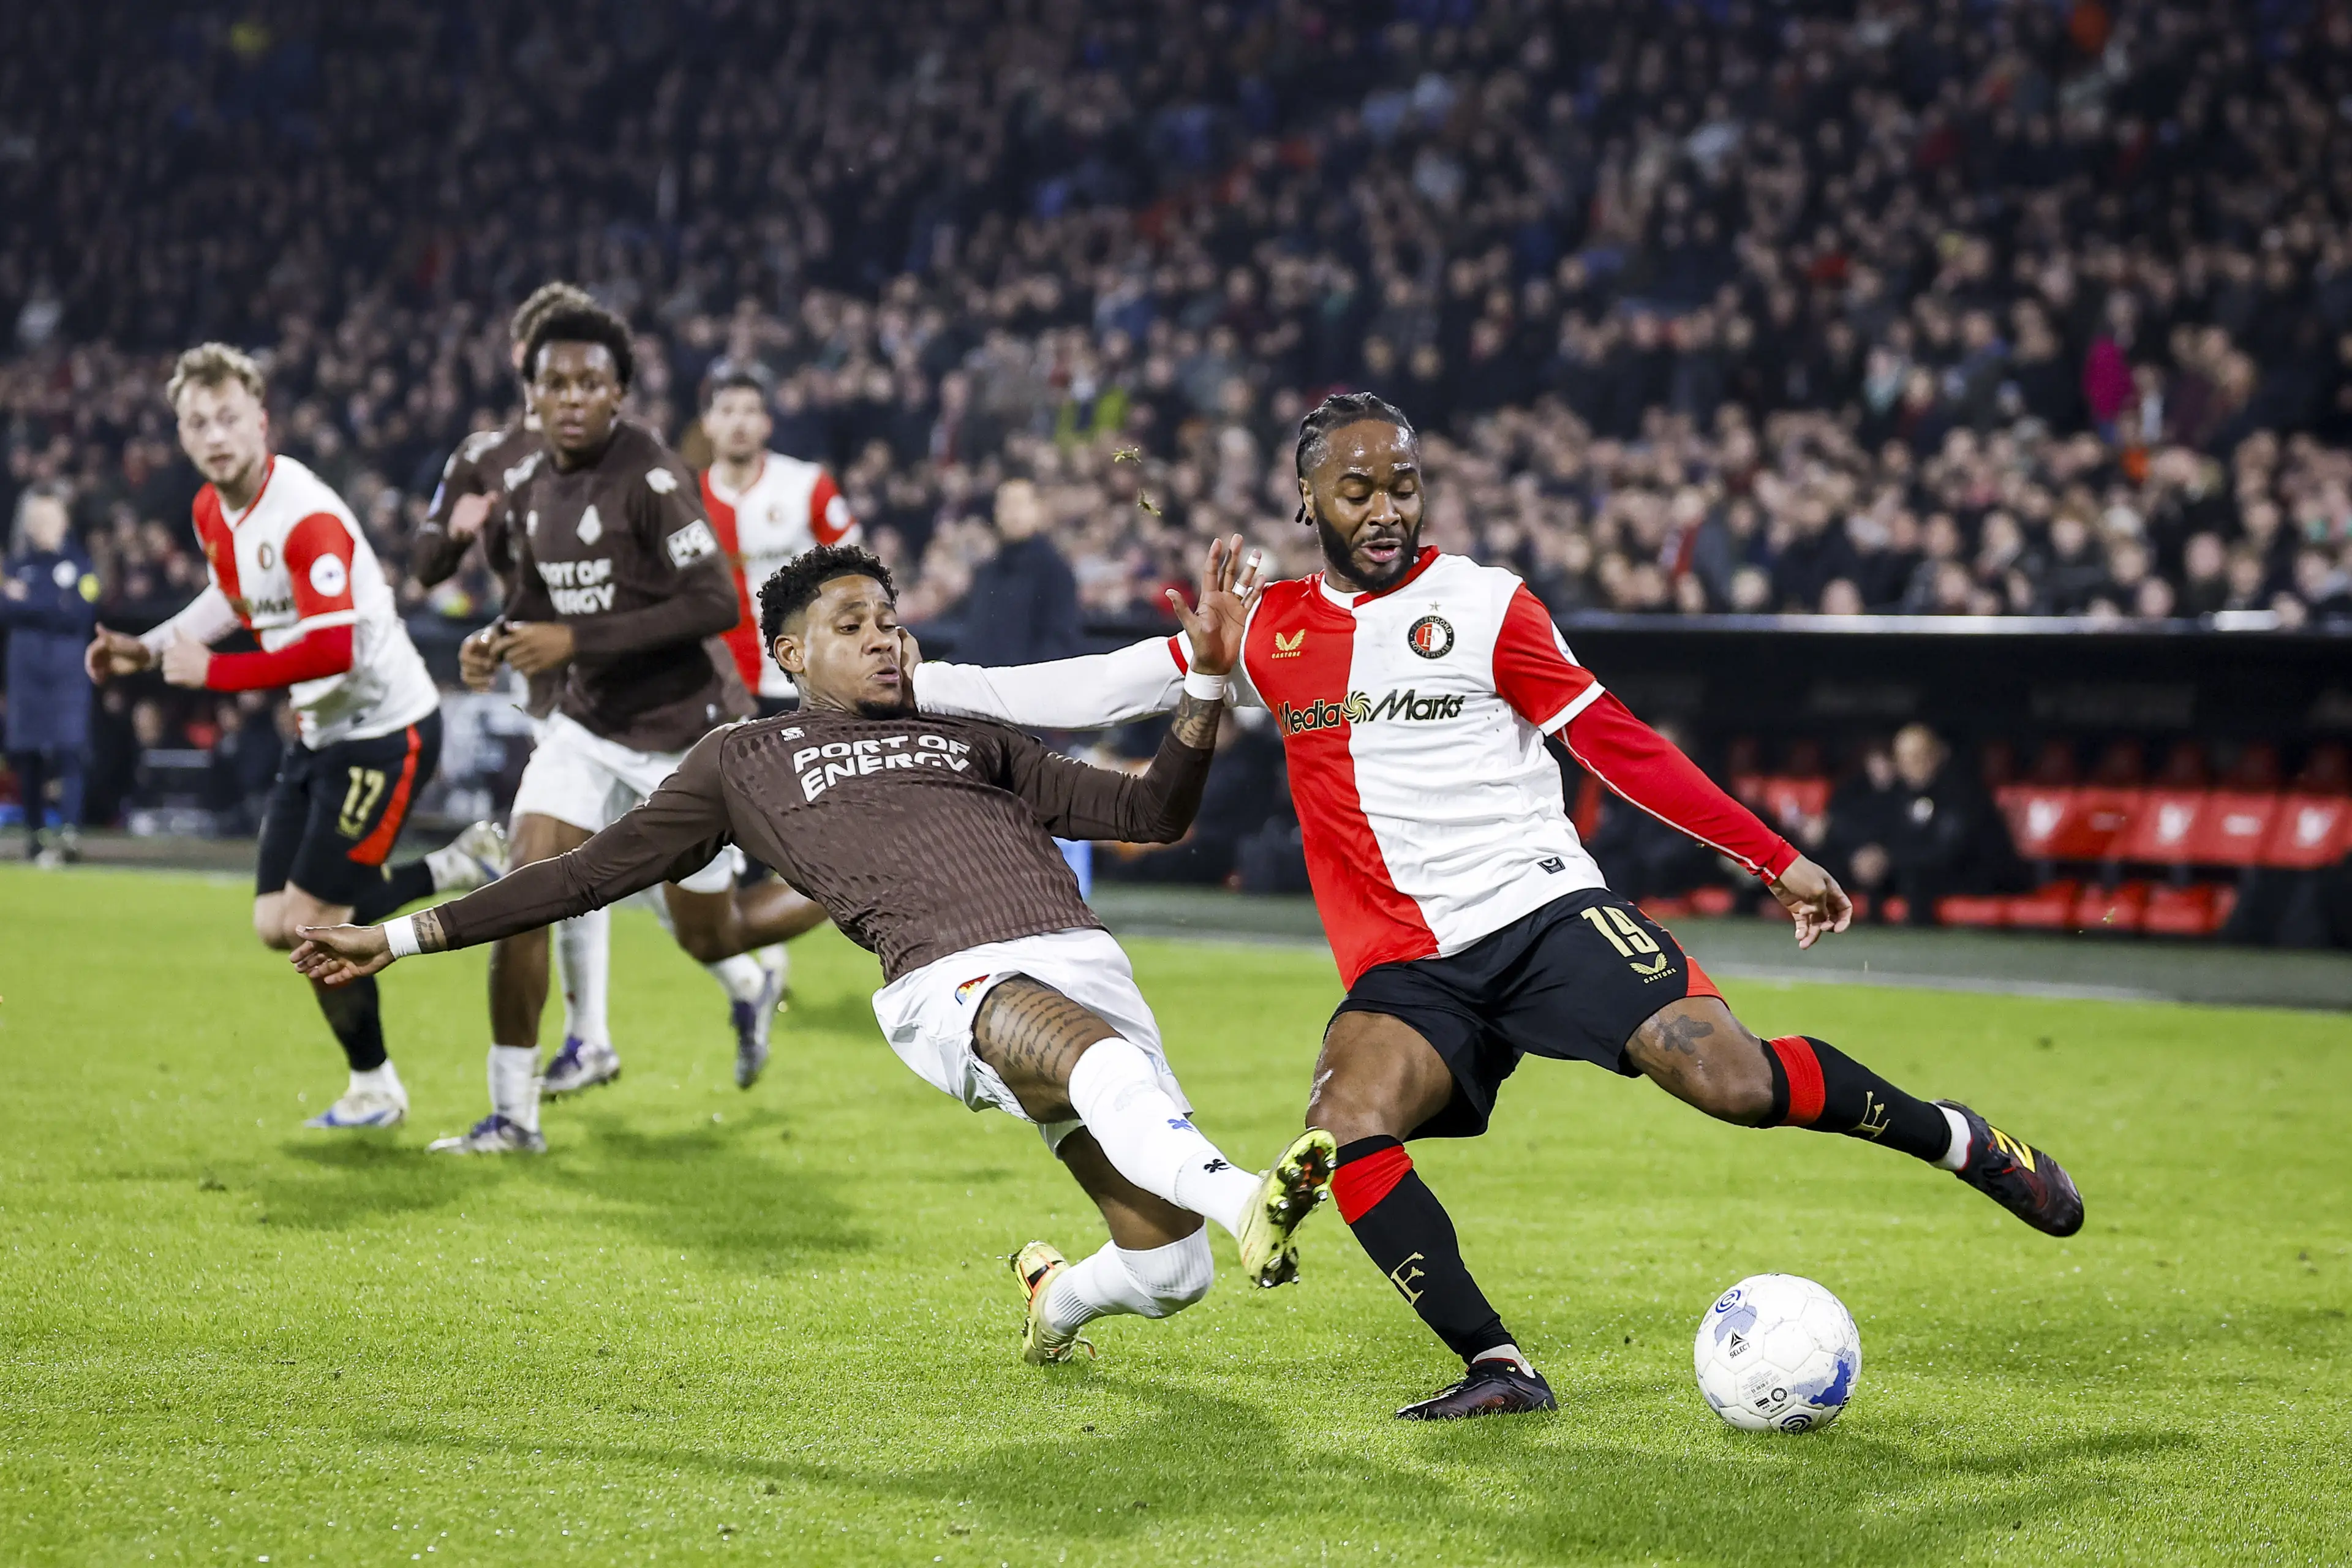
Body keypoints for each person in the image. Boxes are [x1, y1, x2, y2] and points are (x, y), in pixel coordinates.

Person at [912, 391, 2084, 1419]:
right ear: (1306, 501)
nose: (1385, 507)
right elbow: (1084, 688)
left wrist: (1769, 854)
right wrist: (921, 684)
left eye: (1405, 484)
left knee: (1732, 1081)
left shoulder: (1488, 606)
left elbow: (1619, 747)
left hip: (1543, 915)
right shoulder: (1267, 631)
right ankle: (1498, 1363)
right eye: (1356, 487)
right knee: (1344, 1126)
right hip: (1407, 970)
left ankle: (1961, 1139)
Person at [290, 537, 1341, 1366]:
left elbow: (1153, 814)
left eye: (891, 622)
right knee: (1102, 1067)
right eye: (853, 626)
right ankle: (1249, 1194)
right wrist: (398, 935)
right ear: (792, 654)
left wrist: (1205, 690)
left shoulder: (963, 729)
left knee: (1170, 1276)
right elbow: (584, 875)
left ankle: (1053, 1299)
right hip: (950, 984)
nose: (886, 640)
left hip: (1081, 962)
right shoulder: (744, 760)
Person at [83, 344, 505, 1129]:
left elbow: (332, 648)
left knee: (316, 924)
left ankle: (374, 1086)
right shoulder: (215, 509)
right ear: (180, 433)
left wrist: (214, 674)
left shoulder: (304, 516)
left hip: (388, 732)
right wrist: (145, 649)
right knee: (276, 924)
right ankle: (456, 862)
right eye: (198, 422)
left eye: (229, 418)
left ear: (261, 421)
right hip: (320, 732)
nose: (216, 435)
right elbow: (232, 596)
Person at [418, 285, 820, 1101]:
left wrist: (561, 637)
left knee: (695, 926)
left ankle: (754, 969)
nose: (566, 393)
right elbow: (435, 565)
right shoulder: (489, 462)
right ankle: (565, 1062)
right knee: (550, 876)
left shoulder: (630, 464)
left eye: (584, 378)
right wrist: (464, 545)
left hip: (663, 711)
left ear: (609, 386)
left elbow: (700, 596)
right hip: (565, 698)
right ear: (523, 373)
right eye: (548, 373)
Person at [697, 361, 861, 713]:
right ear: (707, 423)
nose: (739, 423)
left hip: (806, 677)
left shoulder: (807, 485)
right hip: (723, 685)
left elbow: (856, 573)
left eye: (750, 411)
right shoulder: (689, 502)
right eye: (727, 411)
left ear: (767, 423)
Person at [3, 490, 98, 865]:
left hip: (67, 674)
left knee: (71, 750)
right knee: (28, 756)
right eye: (38, 519)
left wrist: (27, 602)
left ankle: (71, 833)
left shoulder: (81, 567)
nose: (45, 527)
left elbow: (82, 614)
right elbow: (5, 611)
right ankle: (35, 834)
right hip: (25, 674)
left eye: (51, 518)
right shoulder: (15, 565)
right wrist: (52, 602)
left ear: (64, 520)